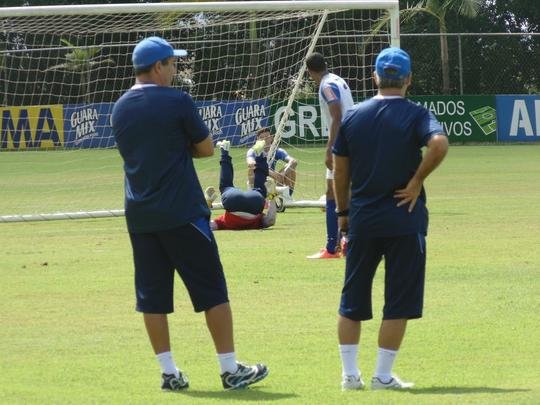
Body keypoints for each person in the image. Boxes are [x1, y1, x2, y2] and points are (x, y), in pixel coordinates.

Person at [111, 36, 268, 392]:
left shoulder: (119, 107)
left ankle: (169, 373)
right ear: (157, 67)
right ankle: (230, 370)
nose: (176, 70)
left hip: (140, 216)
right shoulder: (177, 100)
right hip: (182, 213)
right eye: (172, 64)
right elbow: (206, 148)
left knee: (152, 297)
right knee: (213, 291)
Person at [332, 47, 449, 391]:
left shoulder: (353, 116)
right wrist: (415, 183)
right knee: (398, 299)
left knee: (353, 299)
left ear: (375, 77)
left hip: (364, 220)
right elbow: (439, 145)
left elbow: (339, 169)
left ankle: (349, 375)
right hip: (404, 220)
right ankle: (382, 375)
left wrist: (342, 213)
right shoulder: (416, 114)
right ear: (409, 79)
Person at [305, 52, 354, 259]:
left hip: (343, 144)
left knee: (337, 192)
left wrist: (330, 148)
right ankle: (341, 243)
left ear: (309, 72)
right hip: (352, 139)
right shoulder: (338, 80)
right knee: (335, 191)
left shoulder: (326, 86)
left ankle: (334, 247)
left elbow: (336, 114)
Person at [206, 139, 278, 230]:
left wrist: (272, 196)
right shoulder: (222, 222)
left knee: (260, 189)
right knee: (226, 186)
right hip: (234, 200)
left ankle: (260, 156)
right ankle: (224, 151)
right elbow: (207, 225)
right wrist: (207, 205)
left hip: (254, 202)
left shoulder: (223, 223)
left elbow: (271, 220)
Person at [246, 127, 297, 201]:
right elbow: (250, 163)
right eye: (261, 137)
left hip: (273, 181)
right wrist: (271, 173)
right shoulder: (253, 151)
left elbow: (293, 161)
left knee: (290, 168)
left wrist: (282, 173)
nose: (264, 139)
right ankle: (255, 196)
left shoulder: (277, 151)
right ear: (257, 140)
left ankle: (285, 197)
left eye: (266, 137)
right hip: (259, 181)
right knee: (251, 169)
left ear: (271, 138)